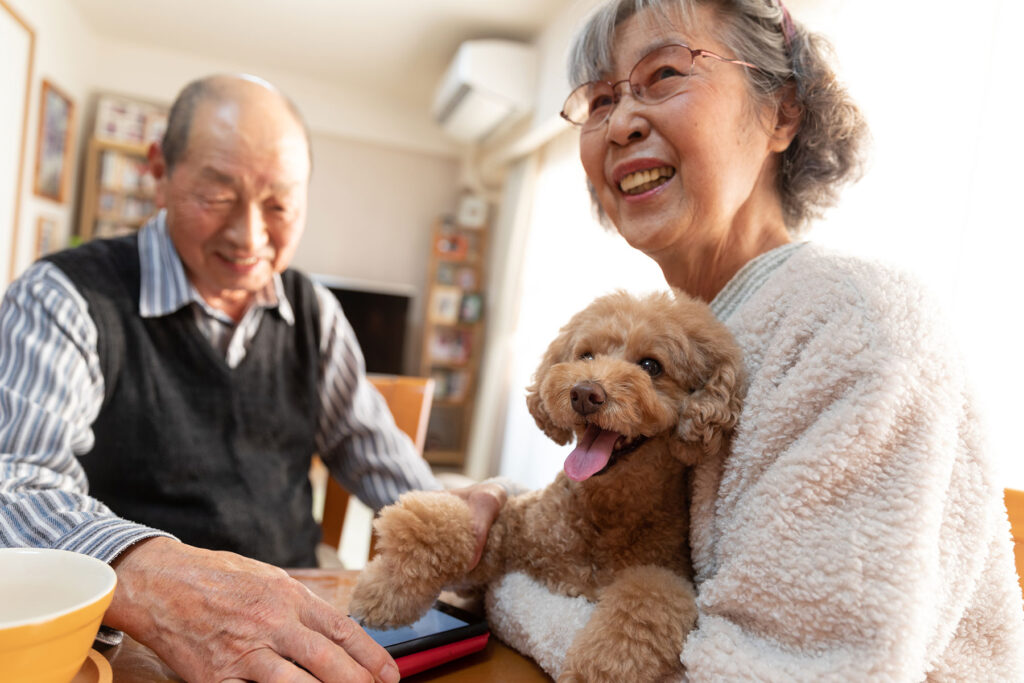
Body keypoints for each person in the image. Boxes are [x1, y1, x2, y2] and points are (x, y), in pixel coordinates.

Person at [483, 0, 1024, 679]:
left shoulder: (855, 325)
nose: (621, 122)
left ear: (783, 113)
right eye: (599, 100)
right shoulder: (699, 336)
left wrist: (502, 591)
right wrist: (499, 519)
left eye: (667, 73)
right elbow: (632, 550)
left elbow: (771, 670)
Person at [0, 74, 504, 682]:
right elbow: (14, 488)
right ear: (158, 171)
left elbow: (383, 464)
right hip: (131, 634)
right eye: (216, 195)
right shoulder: (62, 297)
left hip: (290, 616)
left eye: (279, 204)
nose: (249, 236)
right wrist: (153, 579)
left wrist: (461, 522)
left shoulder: (313, 313)